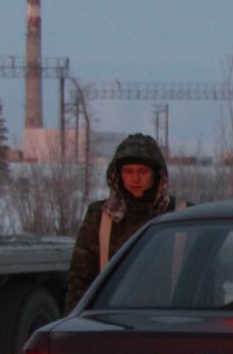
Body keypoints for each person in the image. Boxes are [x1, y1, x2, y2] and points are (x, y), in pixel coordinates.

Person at [65, 133, 183, 312]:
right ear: (118, 174)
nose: (135, 179)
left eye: (142, 171)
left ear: (157, 174)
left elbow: (206, 279)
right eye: (128, 171)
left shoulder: (179, 215)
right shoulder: (101, 217)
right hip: (112, 323)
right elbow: (79, 281)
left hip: (170, 322)